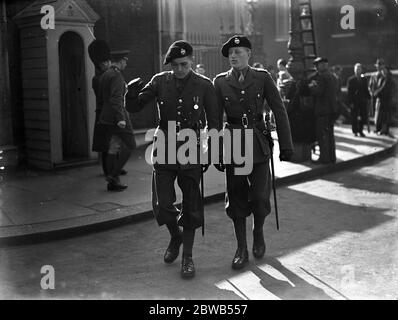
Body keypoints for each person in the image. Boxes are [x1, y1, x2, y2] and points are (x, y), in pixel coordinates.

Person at [126, 41, 220, 279]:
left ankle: (187, 257)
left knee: (191, 203)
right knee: (162, 204)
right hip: (165, 144)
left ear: (191, 61)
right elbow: (136, 106)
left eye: (184, 64)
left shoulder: (204, 85)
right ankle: (175, 236)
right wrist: (131, 93)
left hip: (192, 146)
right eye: (175, 65)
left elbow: (214, 122)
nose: (179, 69)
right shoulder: (160, 81)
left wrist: (211, 147)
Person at [213, 35, 293, 270]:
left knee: (259, 197)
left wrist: (286, 146)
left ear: (249, 54)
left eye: (238, 52)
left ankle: (258, 232)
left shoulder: (262, 78)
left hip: (258, 143)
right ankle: (241, 248)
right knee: (236, 198)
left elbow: (279, 110)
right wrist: (216, 150)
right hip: (234, 143)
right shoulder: (220, 82)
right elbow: (215, 120)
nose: (233, 56)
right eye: (230, 53)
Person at [97, 50, 136, 191]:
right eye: (125, 61)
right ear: (121, 61)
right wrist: (121, 118)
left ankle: (112, 183)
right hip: (118, 117)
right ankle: (113, 175)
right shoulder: (117, 75)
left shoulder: (105, 75)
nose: (126, 63)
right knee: (130, 145)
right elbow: (116, 99)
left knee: (113, 146)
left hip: (106, 117)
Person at [308, 57, 337, 164]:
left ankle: (324, 159)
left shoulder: (321, 77)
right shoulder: (333, 76)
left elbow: (318, 92)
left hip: (322, 111)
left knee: (322, 136)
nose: (316, 68)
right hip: (331, 110)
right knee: (330, 136)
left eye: (317, 65)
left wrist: (311, 86)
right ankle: (331, 158)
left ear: (322, 66)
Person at [368, 59, 393, 135]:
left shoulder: (386, 75)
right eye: (378, 66)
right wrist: (371, 92)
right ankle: (378, 128)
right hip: (376, 97)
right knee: (377, 113)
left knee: (384, 114)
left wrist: (376, 93)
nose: (379, 68)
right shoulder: (374, 75)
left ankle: (384, 129)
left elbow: (383, 87)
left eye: (381, 66)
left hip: (384, 98)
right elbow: (370, 85)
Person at [347, 63, 370, 137]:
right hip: (354, 101)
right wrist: (350, 102)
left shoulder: (364, 79)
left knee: (363, 116)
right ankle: (355, 131)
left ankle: (360, 130)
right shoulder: (351, 80)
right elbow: (349, 92)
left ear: (361, 70)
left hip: (362, 100)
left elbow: (366, 90)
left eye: (359, 69)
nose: (358, 71)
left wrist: (369, 97)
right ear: (354, 70)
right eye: (357, 69)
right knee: (354, 117)